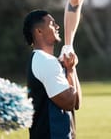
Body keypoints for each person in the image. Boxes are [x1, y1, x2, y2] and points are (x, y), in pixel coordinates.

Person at [23, 9, 82, 139]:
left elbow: (77, 103)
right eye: (52, 23)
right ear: (39, 31)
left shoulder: (45, 60)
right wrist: (70, 71)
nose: (57, 26)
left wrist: (71, 69)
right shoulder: (45, 61)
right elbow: (69, 103)